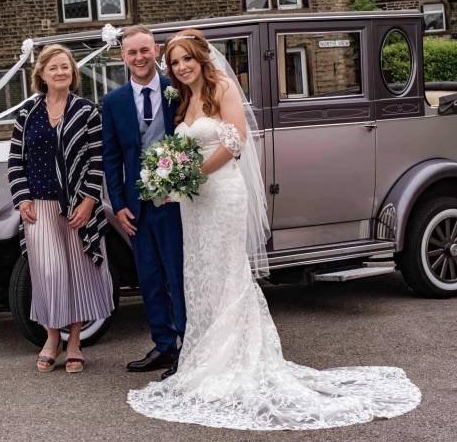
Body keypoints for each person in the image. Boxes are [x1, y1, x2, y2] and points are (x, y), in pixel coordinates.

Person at [126, 29, 422, 430]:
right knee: (201, 275)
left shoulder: (223, 87)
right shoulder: (182, 98)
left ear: (200, 58)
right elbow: (182, 149)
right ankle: (205, 357)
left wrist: (190, 174)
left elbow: (235, 141)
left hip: (223, 194)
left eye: (187, 59)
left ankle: (234, 359)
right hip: (195, 204)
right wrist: (174, 180)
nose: (181, 67)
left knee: (228, 272)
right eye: (175, 62)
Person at [8, 44, 114, 373]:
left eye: (66, 67)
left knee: (78, 275)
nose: (60, 72)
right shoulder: (27, 114)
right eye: (54, 67)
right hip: (39, 207)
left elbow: (98, 161)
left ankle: (75, 342)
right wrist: (22, 198)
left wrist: (88, 201)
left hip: (77, 207)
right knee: (48, 275)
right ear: (41, 74)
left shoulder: (87, 112)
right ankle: (52, 337)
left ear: (73, 73)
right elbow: (15, 161)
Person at [102, 25, 185, 380]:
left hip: (175, 202)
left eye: (144, 51)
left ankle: (187, 345)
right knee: (149, 277)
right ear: (123, 57)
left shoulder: (176, 91)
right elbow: (111, 156)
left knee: (178, 275)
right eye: (131, 52)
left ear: (156, 51)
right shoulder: (114, 101)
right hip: (136, 207)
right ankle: (163, 345)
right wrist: (118, 203)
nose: (139, 58)